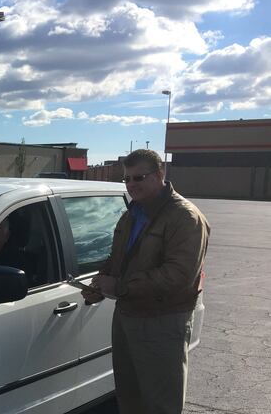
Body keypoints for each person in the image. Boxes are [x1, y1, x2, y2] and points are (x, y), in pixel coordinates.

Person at [81, 149, 210, 414]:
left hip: (162, 321)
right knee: (130, 397)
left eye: (138, 177)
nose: (131, 185)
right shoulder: (132, 214)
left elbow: (178, 276)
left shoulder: (185, 217)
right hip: (127, 317)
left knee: (160, 403)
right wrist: (99, 285)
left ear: (160, 174)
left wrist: (119, 287)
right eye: (126, 179)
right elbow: (117, 258)